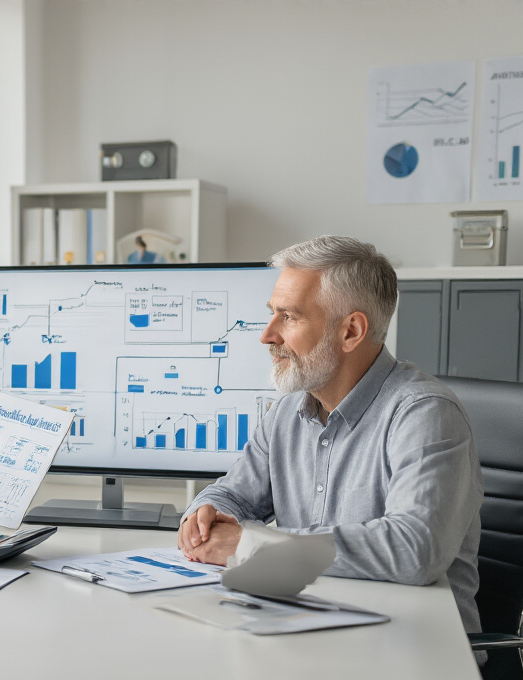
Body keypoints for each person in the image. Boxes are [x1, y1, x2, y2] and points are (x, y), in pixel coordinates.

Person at [176, 235, 484, 634]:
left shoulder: (425, 414)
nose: (267, 335)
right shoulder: (287, 412)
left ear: (351, 331)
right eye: (272, 314)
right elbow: (232, 495)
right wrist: (203, 516)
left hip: (409, 650)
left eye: (289, 317)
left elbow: (414, 549)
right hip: (305, 626)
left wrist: (250, 546)